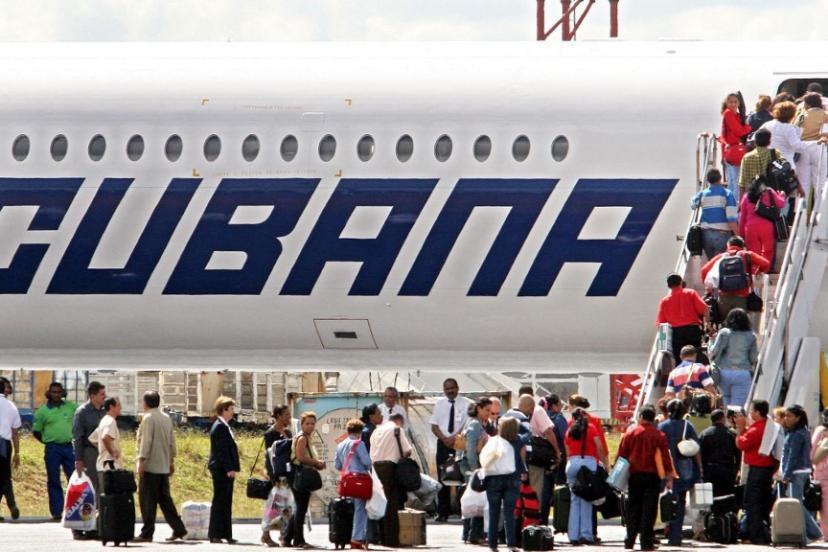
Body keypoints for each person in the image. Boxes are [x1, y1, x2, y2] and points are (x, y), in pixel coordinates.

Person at [617, 405, 674, 552]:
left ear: (641, 417)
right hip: (652, 476)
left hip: (634, 475)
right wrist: (669, 475)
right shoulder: (659, 435)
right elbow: (665, 457)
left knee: (633, 507)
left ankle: (630, 539)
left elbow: (622, 454)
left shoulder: (631, 433)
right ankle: (646, 541)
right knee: (649, 509)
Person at [132, 391, 187, 543]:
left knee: (147, 502)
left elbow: (146, 442)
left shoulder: (148, 418)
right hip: (163, 466)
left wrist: (141, 461)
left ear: (146, 403)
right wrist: (171, 461)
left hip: (150, 466)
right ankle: (179, 529)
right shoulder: (166, 418)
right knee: (165, 501)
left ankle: (147, 533)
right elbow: (171, 442)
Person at [657, 400, 702, 546]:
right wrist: (699, 468)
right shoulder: (688, 426)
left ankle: (667, 530)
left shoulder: (662, 426)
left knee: (666, 501)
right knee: (680, 502)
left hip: (666, 468)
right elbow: (696, 448)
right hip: (683, 467)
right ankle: (676, 535)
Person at [33, 381, 76, 520]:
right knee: (54, 480)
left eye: (59, 392)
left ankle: (75, 509)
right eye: (53, 392)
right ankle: (57, 511)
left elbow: (81, 415)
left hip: (68, 447)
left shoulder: (71, 407)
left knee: (74, 478)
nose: (56, 395)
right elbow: (36, 431)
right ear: (49, 394)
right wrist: (47, 441)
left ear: (63, 393)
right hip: (52, 448)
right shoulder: (42, 412)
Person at [429, 378, 471, 522]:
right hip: (443, 444)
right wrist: (444, 438)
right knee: (443, 477)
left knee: (462, 476)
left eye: (452, 388)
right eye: (447, 389)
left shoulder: (466, 404)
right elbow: (434, 426)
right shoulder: (439, 404)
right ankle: (443, 512)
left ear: (457, 388)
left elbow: (466, 424)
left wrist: (454, 438)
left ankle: (463, 511)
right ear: (444, 390)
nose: (450, 391)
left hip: (459, 443)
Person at [565, 408, 608, 546]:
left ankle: (573, 535)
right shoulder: (591, 428)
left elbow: (567, 451)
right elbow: (599, 447)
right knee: (587, 500)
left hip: (572, 464)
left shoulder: (570, 430)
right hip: (588, 464)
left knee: (574, 500)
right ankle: (586, 534)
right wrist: (604, 463)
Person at [482, 416, 526, 552]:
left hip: (493, 479)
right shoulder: (519, 441)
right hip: (512, 479)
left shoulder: (494, 440)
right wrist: (523, 472)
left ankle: (492, 545)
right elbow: (522, 460)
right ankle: (511, 544)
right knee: (509, 513)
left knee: (493, 512)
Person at [734, 399, 775, 545]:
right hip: (767, 469)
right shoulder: (769, 425)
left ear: (757, 412)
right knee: (763, 502)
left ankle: (756, 535)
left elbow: (741, 443)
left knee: (752, 502)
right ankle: (763, 532)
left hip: (757, 469)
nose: (750, 413)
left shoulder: (757, 429)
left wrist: (740, 429)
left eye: (752, 410)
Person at [370, 412, 413, 548]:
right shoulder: (397, 429)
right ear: (399, 421)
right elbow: (407, 450)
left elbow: (371, 453)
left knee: (380, 502)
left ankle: (381, 537)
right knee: (392, 505)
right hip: (390, 468)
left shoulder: (376, 431)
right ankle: (391, 540)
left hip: (376, 468)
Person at [701, 235, 770, 320]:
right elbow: (766, 264)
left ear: (728, 245)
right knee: (740, 324)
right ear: (742, 246)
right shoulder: (747, 255)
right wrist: (759, 271)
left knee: (726, 323)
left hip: (723, 298)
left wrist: (709, 288)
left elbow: (704, 271)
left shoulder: (721, 257)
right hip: (742, 297)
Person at [780, 404, 822, 541]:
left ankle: (813, 532)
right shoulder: (803, 431)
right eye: (785, 416)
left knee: (796, 505)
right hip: (803, 470)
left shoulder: (797, 434)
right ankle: (808, 534)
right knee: (798, 504)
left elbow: (793, 456)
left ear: (798, 418)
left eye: (789, 416)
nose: (786, 418)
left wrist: (786, 474)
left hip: (796, 472)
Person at [284, 411, 325, 548]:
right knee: (301, 507)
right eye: (307, 423)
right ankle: (299, 540)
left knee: (300, 507)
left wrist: (316, 464)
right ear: (302, 424)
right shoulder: (302, 438)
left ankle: (287, 538)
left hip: (300, 473)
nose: (310, 426)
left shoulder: (306, 437)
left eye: (312, 423)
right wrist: (316, 463)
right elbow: (301, 457)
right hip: (299, 474)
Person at [70, 380, 105, 539]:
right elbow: (77, 437)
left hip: (101, 454)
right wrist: (79, 459)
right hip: (88, 453)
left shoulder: (103, 412)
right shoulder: (82, 412)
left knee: (98, 491)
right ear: (92, 396)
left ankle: (93, 526)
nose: (104, 396)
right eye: (101, 394)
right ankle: (77, 528)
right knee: (86, 491)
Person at [512, 390, 561, 499]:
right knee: (536, 492)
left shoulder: (510, 413)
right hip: (535, 458)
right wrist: (557, 451)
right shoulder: (538, 410)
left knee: (518, 493)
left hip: (515, 460)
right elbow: (548, 432)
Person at [335, 419, 373, 550]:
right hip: (359, 481)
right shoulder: (359, 443)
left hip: (346, 481)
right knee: (360, 509)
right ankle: (357, 538)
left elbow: (338, 465)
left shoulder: (340, 445)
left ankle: (345, 536)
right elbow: (367, 463)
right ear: (359, 432)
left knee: (347, 509)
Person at [655, 274, 709, 364]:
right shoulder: (690, 293)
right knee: (695, 358)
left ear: (668, 286)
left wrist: (662, 345)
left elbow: (661, 323)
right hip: (693, 331)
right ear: (681, 282)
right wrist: (708, 325)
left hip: (677, 334)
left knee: (679, 360)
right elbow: (704, 309)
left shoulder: (664, 301)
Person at [208, 396, 240, 544]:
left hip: (224, 468)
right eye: (231, 409)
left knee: (226, 501)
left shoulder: (224, 426)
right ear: (224, 410)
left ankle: (226, 533)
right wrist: (229, 468)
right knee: (220, 501)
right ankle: (215, 534)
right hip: (221, 469)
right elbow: (222, 451)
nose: (233, 411)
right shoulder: (220, 427)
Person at [709, 308, 758, 406]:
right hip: (742, 373)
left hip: (724, 373)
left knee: (726, 403)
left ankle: (727, 416)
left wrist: (711, 342)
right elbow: (753, 358)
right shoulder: (751, 335)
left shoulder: (724, 332)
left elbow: (713, 351)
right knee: (737, 408)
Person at [739, 172, 788, 267]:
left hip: (750, 228)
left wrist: (741, 234)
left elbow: (742, 218)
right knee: (767, 252)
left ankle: (754, 272)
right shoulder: (769, 191)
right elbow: (781, 203)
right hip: (767, 227)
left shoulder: (746, 196)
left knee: (753, 254)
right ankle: (764, 271)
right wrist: (782, 195)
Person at [691, 168, 739, 260]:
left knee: (711, 262)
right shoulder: (727, 194)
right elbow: (731, 218)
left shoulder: (702, 194)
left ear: (708, 180)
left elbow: (693, 204)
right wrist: (738, 236)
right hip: (722, 234)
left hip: (706, 234)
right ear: (720, 178)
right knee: (721, 263)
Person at [262, 404, 292, 547]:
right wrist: (272, 476)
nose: (289, 417)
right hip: (276, 476)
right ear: (279, 416)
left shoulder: (289, 432)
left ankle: (283, 535)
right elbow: (269, 457)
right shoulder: (270, 434)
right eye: (286, 415)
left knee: (286, 506)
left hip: (287, 474)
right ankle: (265, 534)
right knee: (274, 507)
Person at [461, 398, 491, 545]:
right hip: (472, 466)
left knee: (472, 501)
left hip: (474, 466)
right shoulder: (474, 425)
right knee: (477, 501)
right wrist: (475, 469)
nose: (489, 413)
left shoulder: (478, 424)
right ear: (479, 408)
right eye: (487, 410)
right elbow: (470, 449)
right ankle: (474, 534)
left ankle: (468, 533)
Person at [538, 393, 568, 525]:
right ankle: (561, 522)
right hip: (559, 458)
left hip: (544, 459)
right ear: (554, 406)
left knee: (545, 493)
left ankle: (543, 522)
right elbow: (565, 438)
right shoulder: (559, 418)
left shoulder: (541, 417)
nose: (561, 407)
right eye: (559, 404)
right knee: (561, 491)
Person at [699, 409, 740, 498]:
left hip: (709, 471)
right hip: (727, 471)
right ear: (723, 419)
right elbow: (738, 454)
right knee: (726, 498)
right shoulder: (731, 434)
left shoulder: (704, 434)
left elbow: (700, 454)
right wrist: (736, 469)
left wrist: (702, 469)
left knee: (710, 498)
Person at [794, 92, 828, 198]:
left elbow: (795, 133)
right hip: (819, 147)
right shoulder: (825, 115)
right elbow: (826, 134)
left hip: (802, 148)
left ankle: (802, 207)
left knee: (803, 184)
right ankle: (819, 207)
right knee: (820, 183)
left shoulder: (801, 116)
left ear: (808, 104)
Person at [760, 101, 809, 173]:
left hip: (768, 161)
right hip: (785, 161)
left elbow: (757, 138)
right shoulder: (789, 128)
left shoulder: (767, 124)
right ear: (792, 114)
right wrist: (810, 144)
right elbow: (796, 145)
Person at [720, 92, 753, 199]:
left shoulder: (735, 115)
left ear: (739, 103)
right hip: (733, 151)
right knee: (736, 181)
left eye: (735, 102)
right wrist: (748, 128)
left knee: (733, 180)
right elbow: (738, 131)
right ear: (727, 103)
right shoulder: (728, 114)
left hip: (732, 150)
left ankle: (732, 203)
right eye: (731, 102)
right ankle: (734, 204)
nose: (733, 104)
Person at [739, 128, 783, 198]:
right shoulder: (776, 153)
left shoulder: (746, 157)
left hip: (752, 197)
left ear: (755, 142)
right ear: (769, 142)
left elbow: (742, 184)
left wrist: (741, 202)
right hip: (771, 197)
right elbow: (784, 170)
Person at [0, 376, 21, 521]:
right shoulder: (11, 406)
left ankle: (12, 505)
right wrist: (17, 452)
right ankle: (12, 505)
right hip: (4, 445)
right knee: (5, 477)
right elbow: (15, 432)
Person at [811, 408, 828, 539]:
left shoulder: (821, 431)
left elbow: (812, 452)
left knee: (825, 504)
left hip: (822, 470)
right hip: (823, 470)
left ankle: (826, 533)